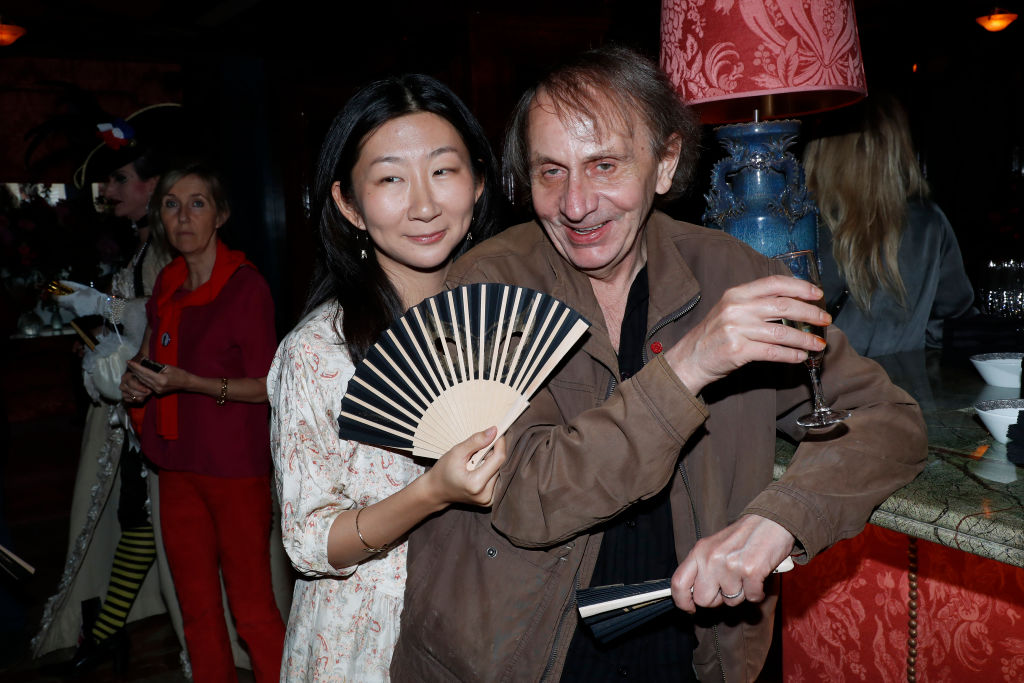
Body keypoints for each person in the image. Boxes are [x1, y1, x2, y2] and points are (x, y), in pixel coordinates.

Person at [390, 46, 928, 682]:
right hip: (527, 654)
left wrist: (778, 519)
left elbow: (886, 417)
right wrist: (691, 365)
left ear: (665, 163)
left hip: (693, 647)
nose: (576, 204)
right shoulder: (487, 288)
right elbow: (530, 499)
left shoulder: (731, 271)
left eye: (605, 165)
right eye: (551, 172)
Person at [267, 73, 508, 682]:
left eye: (443, 170)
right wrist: (431, 492)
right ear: (349, 203)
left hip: (490, 627)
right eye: (391, 179)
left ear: (479, 181)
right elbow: (309, 542)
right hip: (367, 643)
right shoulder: (317, 352)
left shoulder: (508, 326)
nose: (424, 205)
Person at [119, 162, 285, 682]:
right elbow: (150, 358)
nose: (183, 217)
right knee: (195, 610)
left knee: (252, 610)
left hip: (234, 470)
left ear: (221, 215)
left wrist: (190, 383)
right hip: (175, 465)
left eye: (197, 204)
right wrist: (134, 380)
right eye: (171, 205)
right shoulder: (168, 284)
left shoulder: (245, 287)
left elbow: (269, 386)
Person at [33, 104, 178, 674]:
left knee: (143, 516)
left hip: (158, 407)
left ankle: (105, 634)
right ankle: (106, 634)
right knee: (134, 514)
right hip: (134, 408)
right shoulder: (143, 246)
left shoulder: (164, 248)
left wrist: (103, 309)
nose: (109, 191)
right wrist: (99, 340)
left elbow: (163, 320)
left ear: (152, 185)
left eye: (120, 179)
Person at [804, 94, 976, 357]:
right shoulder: (928, 224)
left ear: (822, 149)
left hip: (824, 379)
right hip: (900, 381)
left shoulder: (798, 228)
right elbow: (950, 324)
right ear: (898, 148)